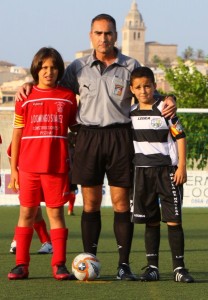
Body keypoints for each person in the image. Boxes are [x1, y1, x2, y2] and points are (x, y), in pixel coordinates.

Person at [15, 14, 176, 280]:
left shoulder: (130, 64)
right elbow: (52, 87)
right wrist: (29, 84)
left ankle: (123, 265)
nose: (104, 38)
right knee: (90, 203)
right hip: (87, 138)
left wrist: (169, 99)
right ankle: (89, 260)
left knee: (120, 203)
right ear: (91, 35)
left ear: (115, 35)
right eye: (99, 33)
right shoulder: (77, 67)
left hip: (121, 137)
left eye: (109, 33)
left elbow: (146, 91)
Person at [8, 47, 77, 280]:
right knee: (26, 213)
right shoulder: (24, 97)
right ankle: (21, 265)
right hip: (28, 167)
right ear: (36, 70)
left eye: (54, 67)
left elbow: (75, 129)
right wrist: (14, 169)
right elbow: (17, 133)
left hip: (56, 167)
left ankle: (59, 264)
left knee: (56, 214)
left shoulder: (67, 98)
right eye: (44, 67)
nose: (49, 72)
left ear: (59, 70)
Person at [129, 66, 194, 283]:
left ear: (155, 86)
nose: (143, 90)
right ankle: (153, 268)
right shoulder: (130, 113)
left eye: (147, 86)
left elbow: (180, 137)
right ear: (132, 89)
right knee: (151, 221)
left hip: (167, 172)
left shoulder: (165, 110)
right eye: (138, 87)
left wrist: (182, 166)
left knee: (174, 220)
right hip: (142, 173)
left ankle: (179, 268)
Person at [7, 143, 53, 255]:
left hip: (44, 173)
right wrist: (15, 171)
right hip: (27, 175)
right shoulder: (21, 133)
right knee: (30, 209)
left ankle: (19, 241)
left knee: (35, 210)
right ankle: (46, 243)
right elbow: (10, 153)